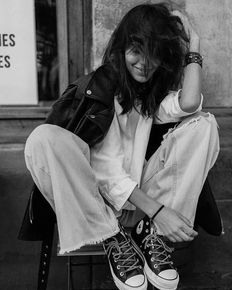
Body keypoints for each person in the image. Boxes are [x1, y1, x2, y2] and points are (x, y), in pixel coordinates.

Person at [24, 3, 220, 290]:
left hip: (142, 205)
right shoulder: (100, 89)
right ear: (121, 48)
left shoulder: (147, 97)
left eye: (154, 53)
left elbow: (189, 103)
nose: (144, 62)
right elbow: (106, 175)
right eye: (136, 50)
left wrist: (195, 47)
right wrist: (158, 210)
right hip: (97, 206)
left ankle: (152, 235)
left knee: (202, 124)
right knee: (43, 138)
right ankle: (113, 238)